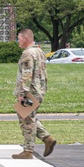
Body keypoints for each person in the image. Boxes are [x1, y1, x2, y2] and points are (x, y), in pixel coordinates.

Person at [13, 29, 57, 159]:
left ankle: (28, 150)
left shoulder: (28, 53)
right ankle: (47, 138)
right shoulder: (39, 51)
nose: (18, 41)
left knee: (27, 120)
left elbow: (27, 74)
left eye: (19, 38)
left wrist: (23, 92)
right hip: (39, 89)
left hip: (30, 91)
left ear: (26, 38)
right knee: (26, 115)